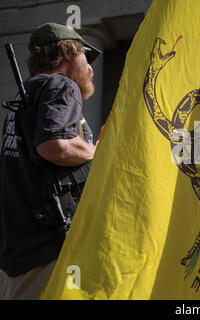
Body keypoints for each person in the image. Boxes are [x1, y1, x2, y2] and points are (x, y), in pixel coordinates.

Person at [0, 23, 101, 300]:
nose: (91, 68)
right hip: (48, 250)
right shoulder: (61, 84)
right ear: (68, 53)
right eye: (86, 57)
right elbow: (53, 145)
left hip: (20, 250)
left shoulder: (25, 95)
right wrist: (101, 154)